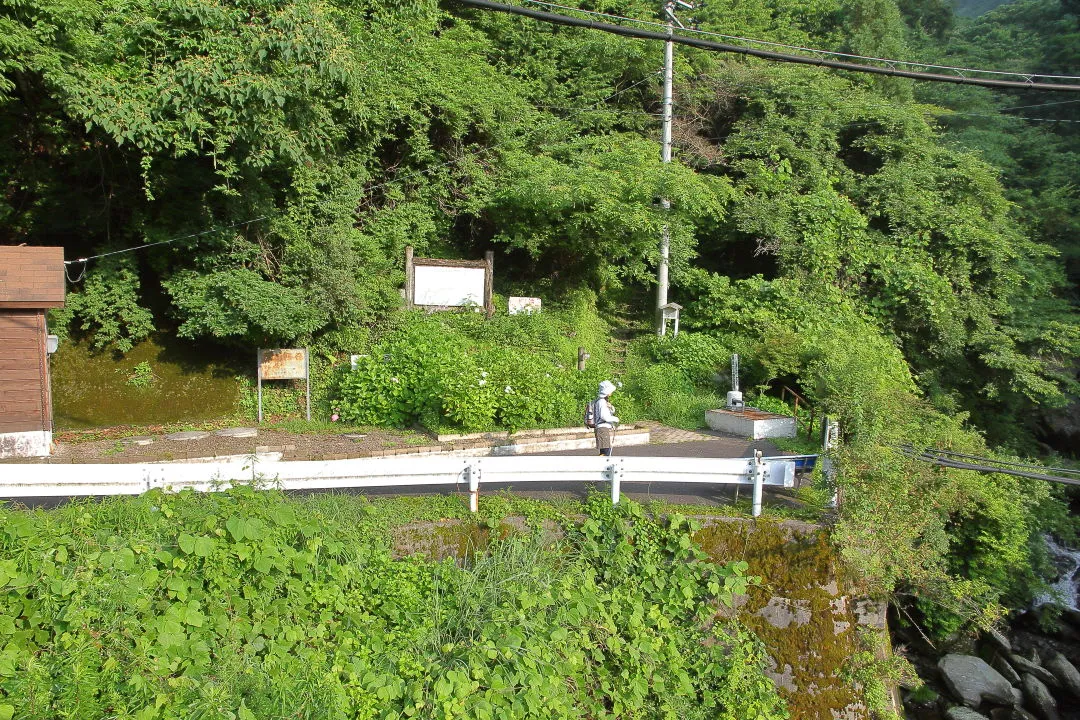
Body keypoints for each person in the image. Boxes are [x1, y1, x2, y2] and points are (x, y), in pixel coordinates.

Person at [593, 380, 620, 456]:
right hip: (603, 429)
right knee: (606, 453)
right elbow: (604, 416)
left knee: (604, 452)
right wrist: (615, 419)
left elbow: (609, 412)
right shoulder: (601, 402)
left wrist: (611, 407)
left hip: (602, 429)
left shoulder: (602, 401)